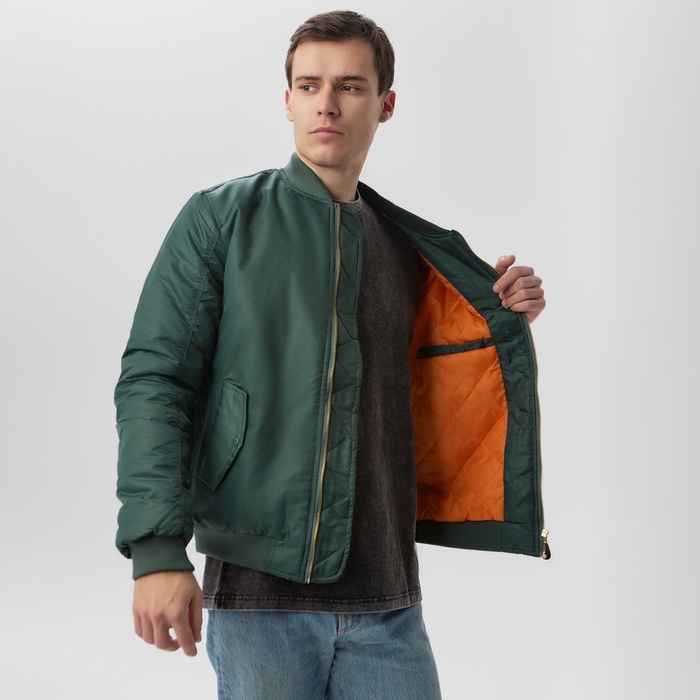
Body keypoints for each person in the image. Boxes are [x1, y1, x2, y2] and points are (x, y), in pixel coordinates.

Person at [115, 10, 548, 699]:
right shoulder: (221, 220)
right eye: (309, 85)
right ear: (287, 101)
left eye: (350, 86)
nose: (327, 103)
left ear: (386, 104)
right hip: (260, 601)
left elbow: (437, 380)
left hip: (390, 602)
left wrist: (500, 309)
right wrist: (157, 549)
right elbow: (155, 381)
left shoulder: (404, 249)